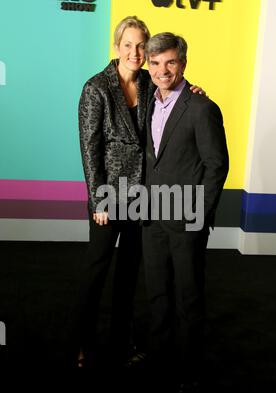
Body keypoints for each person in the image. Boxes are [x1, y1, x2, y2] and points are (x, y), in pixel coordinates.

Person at [77, 17, 205, 368]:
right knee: (97, 270)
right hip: (110, 195)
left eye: (140, 46)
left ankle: (122, 341)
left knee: (129, 274)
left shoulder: (150, 82)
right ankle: (83, 342)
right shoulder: (96, 87)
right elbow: (90, 148)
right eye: (128, 45)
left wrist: (193, 90)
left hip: (142, 197)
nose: (135, 52)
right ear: (117, 47)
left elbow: (173, 91)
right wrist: (98, 198)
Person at [142, 32, 229, 393]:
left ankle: (189, 371)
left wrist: (201, 214)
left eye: (170, 62)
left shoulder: (201, 108)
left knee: (188, 298)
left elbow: (216, 165)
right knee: (157, 294)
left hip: (186, 219)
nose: (163, 70)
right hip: (152, 218)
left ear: (183, 63)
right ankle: (159, 360)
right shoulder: (148, 100)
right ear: (148, 65)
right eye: (156, 62)